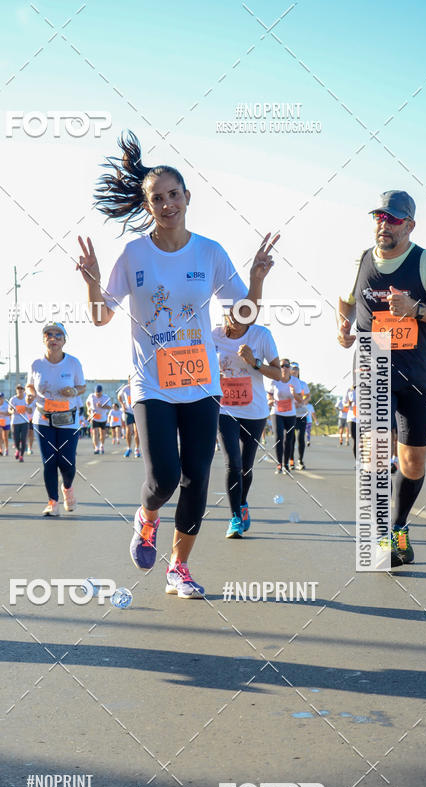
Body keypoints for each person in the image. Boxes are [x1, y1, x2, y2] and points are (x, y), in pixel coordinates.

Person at [77, 130, 278, 597]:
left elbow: (242, 315)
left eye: (173, 195)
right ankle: (146, 518)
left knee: (197, 478)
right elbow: (101, 316)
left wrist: (255, 282)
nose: (167, 204)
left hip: (202, 382)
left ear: (187, 197)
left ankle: (178, 568)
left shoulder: (208, 251)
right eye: (157, 198)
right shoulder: (133, 255)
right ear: (147, 206)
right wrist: (90, 283)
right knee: (164, 477)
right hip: (152, 383)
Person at [337, 190, 426, 566]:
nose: (384, 225)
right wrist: (342, 327)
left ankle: (398, 528)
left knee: (413, 464)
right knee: (376, 454)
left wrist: (416, 308)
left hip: (419, 374)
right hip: (374, 367)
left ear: (409, 225)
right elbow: (344, 301)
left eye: (393, 219)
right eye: (380, 217)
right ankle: (379, 540)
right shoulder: (360, 261)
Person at [213, 300, 280, 538]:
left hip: (254, 411)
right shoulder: (214, 336)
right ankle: (234, 519)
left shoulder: (262, 335)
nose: (236, 319)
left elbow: (279, 374)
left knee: (246, 467)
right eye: (232, 313)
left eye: (243, 314)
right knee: (233, 463)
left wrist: (255, 363)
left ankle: (242, 503)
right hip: (225, 410)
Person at [26, 322, 86, 516]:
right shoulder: (36, 364)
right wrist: (29, 394)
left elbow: (82, 386)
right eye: (48, 334)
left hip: (68, 419)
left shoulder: (73, 363)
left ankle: (67, 488)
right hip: (43, 418)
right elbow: (30, 386)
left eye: (58, 335)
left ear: (64, 340)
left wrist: (74, 391)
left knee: (67, 462)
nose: (53, 338)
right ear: (43, 339)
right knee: (50, 462)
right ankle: (53, 502)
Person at [270, 361, 302, 474]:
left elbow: (300, 400)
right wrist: (270, 400)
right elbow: (269, 394)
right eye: (282, 366)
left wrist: (294, 393)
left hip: (290, 413)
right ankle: (279, 464)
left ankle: (286, 464)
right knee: (279, 437)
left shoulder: (295, 381)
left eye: (287, 366)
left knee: (288, 439)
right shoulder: (274, 380)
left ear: (290, 369)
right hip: (276, 412)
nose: (284, 368)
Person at [288, 362, 310, 469]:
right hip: (290, 414)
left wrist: (303, 402)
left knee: (301, 438)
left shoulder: (303, 384)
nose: (295, 370)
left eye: (296, 369)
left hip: (301, 414)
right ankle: (291, 461)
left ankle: (300, 461)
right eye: (293, 368)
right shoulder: (286, 383)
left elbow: (308, 396)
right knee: (291, 439)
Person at [118, 376, 141, 458]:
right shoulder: (125, 388)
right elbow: (119, 396)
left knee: (137, 431)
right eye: (130, 380)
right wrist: (122, 404)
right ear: (128, 381)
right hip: (128, 412)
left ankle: (137, 449)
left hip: (137, 411)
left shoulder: (138, 386)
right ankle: (128, 448)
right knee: (129, 430)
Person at [9, 384, 32, 462]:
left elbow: (30, 410)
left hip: (24, 421)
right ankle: (17, 450)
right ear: (16, 390)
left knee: (23, 439)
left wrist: (26, 408)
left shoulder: (26, 398)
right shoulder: (13, 399)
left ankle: (21, 456)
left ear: (24, 390)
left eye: (21, 388)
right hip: (15, 422)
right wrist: (12, 411)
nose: (20, 390)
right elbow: (9, 410)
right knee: (16, 440)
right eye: (18, 388)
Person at [86, 384, 110, 453]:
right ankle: (96, 448)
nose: (98, 395)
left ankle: (101, 445)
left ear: (102, 392)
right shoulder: (91, 396)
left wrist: (102, 406)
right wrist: (88, 409)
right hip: (94, 417)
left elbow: (109, 407)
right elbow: (87, 402)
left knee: (102, 434)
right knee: (95, 433)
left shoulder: (106, 397)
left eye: (99, 393)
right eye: (96, 393)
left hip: (103, 418)